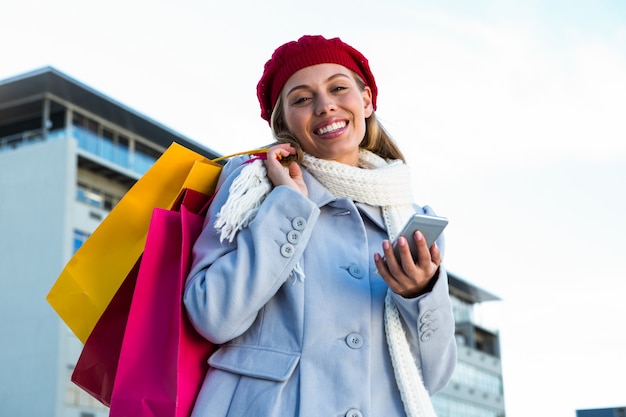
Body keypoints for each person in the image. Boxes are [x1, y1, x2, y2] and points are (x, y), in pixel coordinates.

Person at [184, 34, 456, 417]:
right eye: (301, 98)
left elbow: (436, 374)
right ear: (284, 122)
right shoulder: (254, 187)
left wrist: (420, 293)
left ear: (366, 100)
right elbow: (214, 317)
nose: (325, 106)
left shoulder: (411, 219)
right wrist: (288, 205)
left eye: (338, 88)